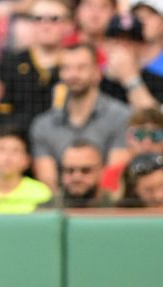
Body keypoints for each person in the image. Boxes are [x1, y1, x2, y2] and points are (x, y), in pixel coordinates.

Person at [30, 43, 130, 191]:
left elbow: (115, 178)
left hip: (107, 208)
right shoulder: (43, 125)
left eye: (81, 68)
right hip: (61, 207)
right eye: (66, 68)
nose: (73, 75)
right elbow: (48, 184)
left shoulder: (121, 116)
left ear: (97, 72)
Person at [0, 0, 73, 130]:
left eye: (54, 19)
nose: (45, 25)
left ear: (69, 25)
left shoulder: (77, 66)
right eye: (38, 18)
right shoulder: (10, 63)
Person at [0, 126, 51, 214]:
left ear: (27, 160)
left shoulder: (40, 193)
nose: (8, 157)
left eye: (15, 151)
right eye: (2, 149)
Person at [101, 108, 163, 196]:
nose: (147, 142)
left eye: (156, 135)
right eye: (140, 135)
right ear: (128, 138)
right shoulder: (113, 175)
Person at [58, 139, 113, 208]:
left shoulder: (118, 209)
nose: (76, 178)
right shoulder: (47, 209)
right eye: (69, 170)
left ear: (101, 171)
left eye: (85, 171)